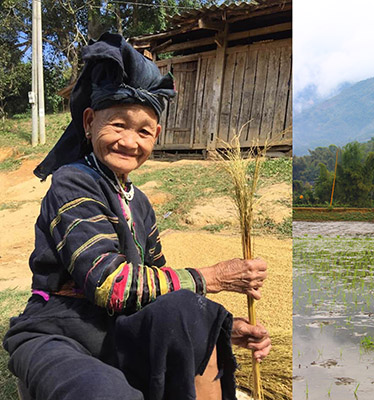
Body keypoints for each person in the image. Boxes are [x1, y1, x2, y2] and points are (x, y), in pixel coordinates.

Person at [3, 33, 270, 400]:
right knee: (105, 392)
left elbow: (161, 288)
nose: (130, 142)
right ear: (89, 121)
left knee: (190, 313)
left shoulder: (140, 202)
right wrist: (216, 276)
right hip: (58, 331)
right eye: (118, 125)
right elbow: (110, 285)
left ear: (156, 136)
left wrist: (223, 329)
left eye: (143, 131)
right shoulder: (73, 182)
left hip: (118, 332)